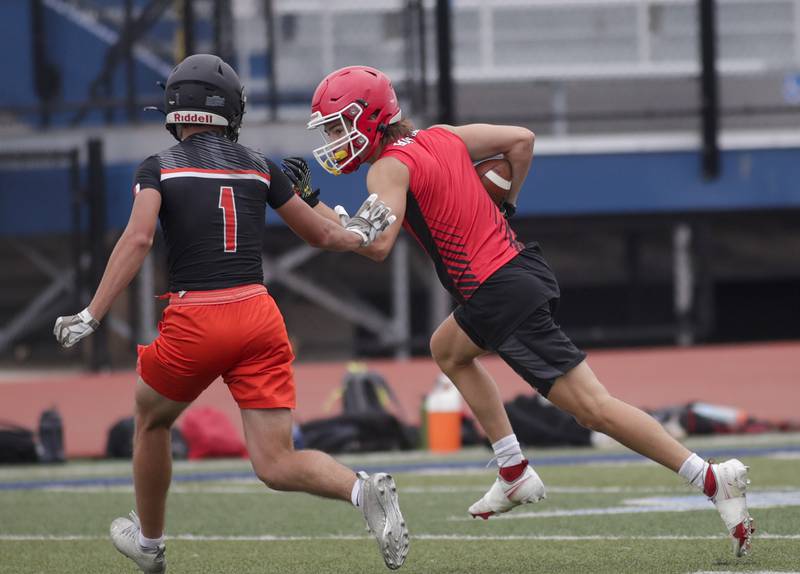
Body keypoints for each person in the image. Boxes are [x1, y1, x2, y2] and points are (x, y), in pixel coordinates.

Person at [282, 65, 754, 557]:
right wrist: (507, 202)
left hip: (496, 291)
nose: (335, 139)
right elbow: (521, 142)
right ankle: (513, 470)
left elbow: (375, 245)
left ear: (372, 118)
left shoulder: (388, 167)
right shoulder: (442, 137)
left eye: (340, 125)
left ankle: (711, 479)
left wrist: (310, 204)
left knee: (594, 409)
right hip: (515, 270)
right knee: (448, 349)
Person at [53, 55, 409, 572]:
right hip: (258, 316)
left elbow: (138, 238)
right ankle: (360, 490)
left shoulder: (159, 166)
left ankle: (150, 546)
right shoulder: (259, 164)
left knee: (151, 422)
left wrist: (92, 311)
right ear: (230, 111)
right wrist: (361, 229)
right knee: (276, 461)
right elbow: (324, 235)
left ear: (178, 108)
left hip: (197, 317)